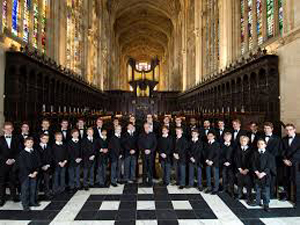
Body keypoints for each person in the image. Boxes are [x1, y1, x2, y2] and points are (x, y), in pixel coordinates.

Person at [252, 139, 275, 212]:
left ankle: (266, 204)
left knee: (265, 190)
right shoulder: (254, 154)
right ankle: (257, 201)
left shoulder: (269, 155)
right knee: (257, 189)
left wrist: (263, 173)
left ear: (265, 145)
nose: (260, 145)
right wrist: (257, 172)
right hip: (257, 174)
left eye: (262, 144)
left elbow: (269, 166)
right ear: (257, 145)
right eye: (259, 144)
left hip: (266, 175)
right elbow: (253, 164)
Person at [17, 137, 40, 211]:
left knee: (33, 188)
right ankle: (25, 205)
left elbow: (38, 163)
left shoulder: (35, 152)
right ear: (25, 144)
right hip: (25, 175)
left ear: (33, 143)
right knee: (25, 190)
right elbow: (22, 166)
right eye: (28, 142)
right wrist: (29, 174)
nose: (30, 144)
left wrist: (36, 171)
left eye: (31, 142)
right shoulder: (22, 153)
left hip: (34, 173)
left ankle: (32, 201)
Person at [0, 122, 20, 206]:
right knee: (2, 182)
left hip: (13, 164)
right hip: (2, 164)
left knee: (13, 180)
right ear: (3, 129)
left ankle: (14, 196)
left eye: (10, 128)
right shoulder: (0, 139)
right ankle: (1, 198)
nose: (8, 130)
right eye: (6, 128)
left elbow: (19, 151)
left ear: (12, 129)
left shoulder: (17, 139)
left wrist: (14, 159)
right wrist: (6, 160)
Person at [281, 123, 300, 204]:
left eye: (290, 129)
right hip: (286, 163)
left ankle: (297, 199)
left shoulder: (299, 139)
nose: (288, 131)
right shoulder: (284, 139)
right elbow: (282, 151)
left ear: (294, 130)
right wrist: (284, 159)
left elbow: (299, 151)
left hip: (296, 163)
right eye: (287, 130)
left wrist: (291, 160)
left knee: (296, 181)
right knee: (286, 180)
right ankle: (287, 196)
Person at [262, 122, 281, 199]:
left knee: (272, 179)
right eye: (265, 128)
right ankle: (263, 195)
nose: (266, 130)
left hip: (272, 162)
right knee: (263, 179)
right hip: (262, 162)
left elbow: (276, 151)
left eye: (268, 128)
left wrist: (267, 159)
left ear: (272, 129)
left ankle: (271, 195)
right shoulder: (260, 137)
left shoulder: (277, 139)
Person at [235, 135, 253, 204]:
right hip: (240, 169)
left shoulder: (251, 149)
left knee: (248, 183)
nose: (243, 142)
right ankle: (240, 194)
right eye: (242, 140)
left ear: (247, 142)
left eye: (245, 141)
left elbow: (251, 160)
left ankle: (249, 196)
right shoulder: (237, 148)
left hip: (248, 170)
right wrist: (240, 169)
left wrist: (247, 169)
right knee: (240, 182)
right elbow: (236, 159)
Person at [36, 134, 53, 199]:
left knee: (47, 181)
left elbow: (51, 157)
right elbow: (36, 158)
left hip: (47, 167)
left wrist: (48, 165)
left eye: (47, 139)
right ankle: (36, 195)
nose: (46, 140)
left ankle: (47, 194)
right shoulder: (36, 147)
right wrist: (41, 166)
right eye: (44, 138)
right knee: (38, 182)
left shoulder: (49, 147)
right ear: (40, 139)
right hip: (39, 167)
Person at [220, 132, 234, 197]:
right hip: (223, 163)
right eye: (226, 137)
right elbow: (220, 155)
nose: (227, 138)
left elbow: (234, 156)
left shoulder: (233, 145)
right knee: (224, 176)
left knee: (231, 177)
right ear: (224, 137)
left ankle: (231, 190)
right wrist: (224, 162)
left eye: (229, 137)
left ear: (231, 138)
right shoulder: (221, 145)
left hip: (231, 164)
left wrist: (230, 162)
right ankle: (224, 188)